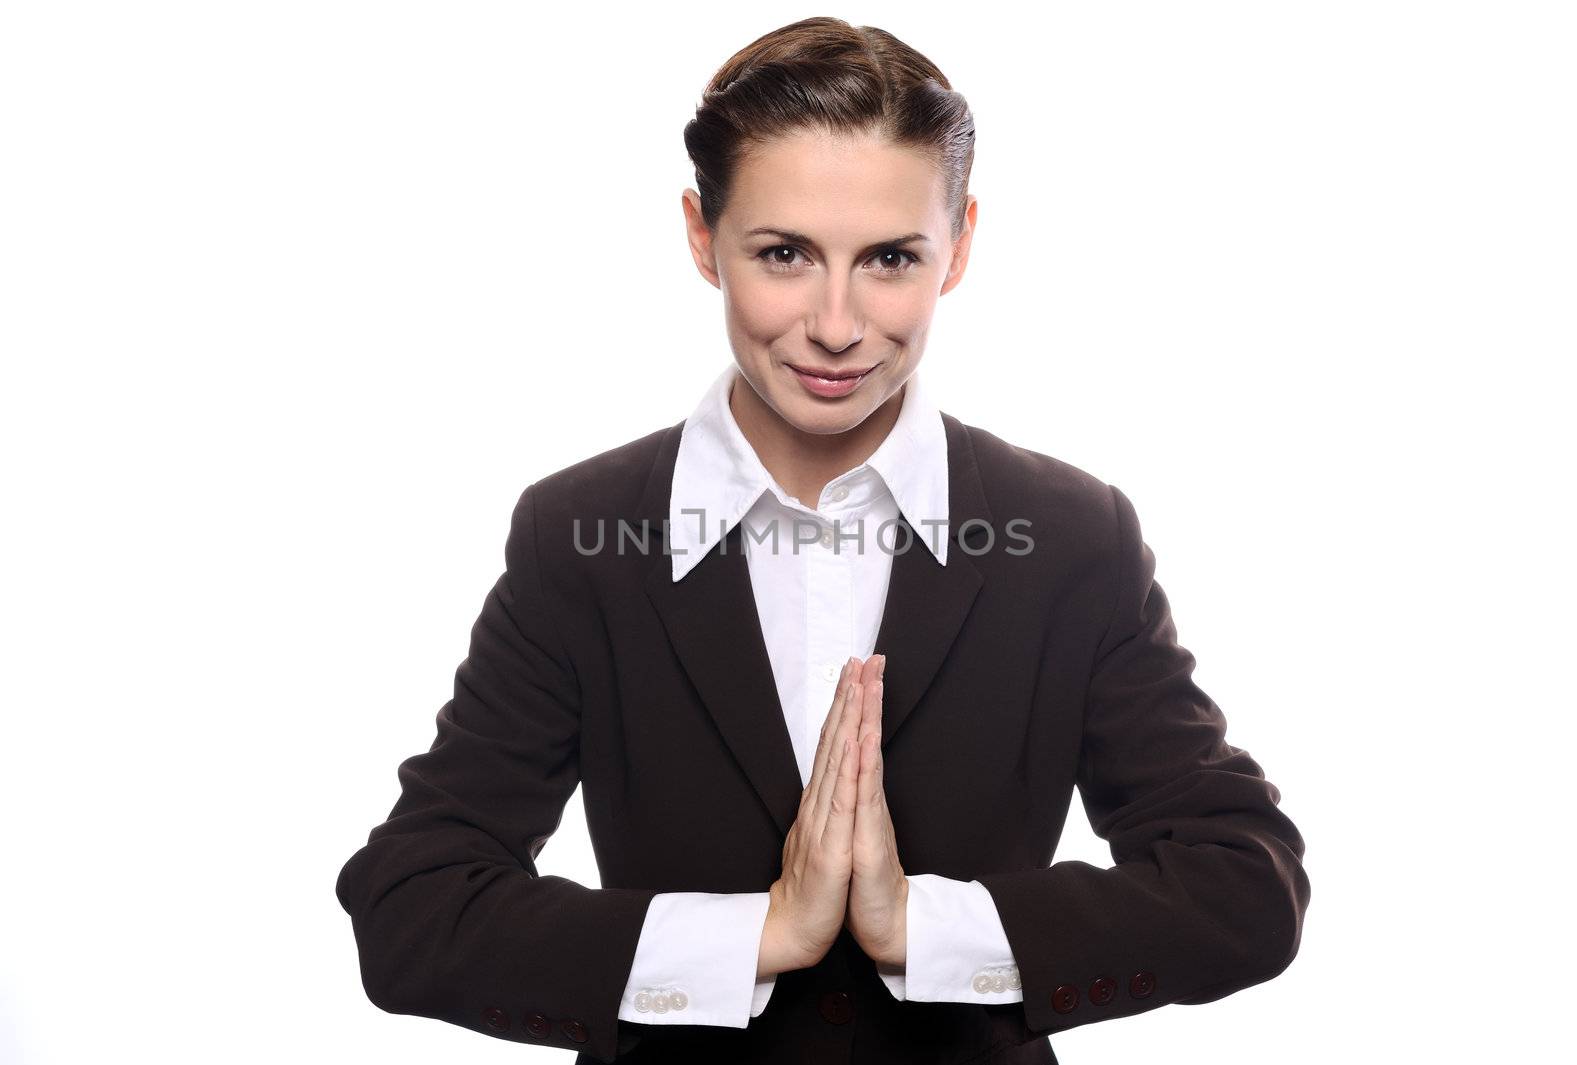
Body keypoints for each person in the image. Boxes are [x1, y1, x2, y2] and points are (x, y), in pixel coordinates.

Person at [334, 16, 1310, 1064]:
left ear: (962, 245)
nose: (837, 324)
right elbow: (413, 904)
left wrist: (924, 933)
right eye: (784, 254)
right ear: (702, 238)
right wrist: (757, 938)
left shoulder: (1071, 537)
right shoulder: (581, 536)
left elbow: (1243, 884)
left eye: (890, 258)